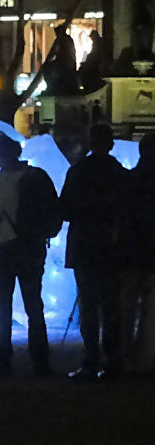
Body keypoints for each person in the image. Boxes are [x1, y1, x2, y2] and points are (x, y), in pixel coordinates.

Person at [0, 133, 60, 377]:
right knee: (34, 303)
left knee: (3, 305)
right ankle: (40, 360)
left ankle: (2, 360)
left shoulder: (3, 180)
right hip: (33, 245)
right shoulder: (38, 176)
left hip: (5, 246)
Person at [61, 124, 128, 381]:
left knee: (89, 305)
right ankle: (113, 361)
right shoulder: (119, 173)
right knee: (111, 307)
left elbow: (65, 209)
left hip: (85, 246)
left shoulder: (79, 171)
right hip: (112, 246)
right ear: (110, 144)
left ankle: (91, 360)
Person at [118, 133, 155, 374]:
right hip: (151, 252)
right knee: (150, 311)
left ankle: (123, 356)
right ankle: (145, 358)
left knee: (126, 308)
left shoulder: (128, 181)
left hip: (129, 252)